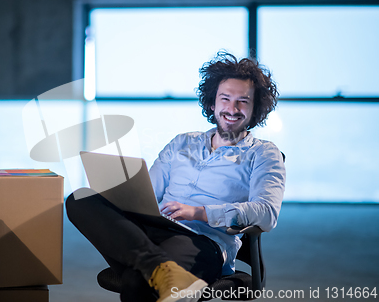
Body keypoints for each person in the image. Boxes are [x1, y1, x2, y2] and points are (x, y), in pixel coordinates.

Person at [66, 51, 286, 302]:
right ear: (212, 103)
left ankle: (153, 268)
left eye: (243, 101)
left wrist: (199, 212)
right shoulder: (182, 143)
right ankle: (158, 267)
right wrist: (119, 194)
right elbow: (147, 195)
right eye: (225, 99)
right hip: (154, 230)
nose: (232, 109)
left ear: (255, 108)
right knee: (80, 199)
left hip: (203, 242)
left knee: (136, 281)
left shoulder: (263, 153)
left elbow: (266, 213)